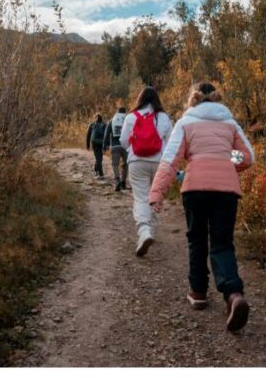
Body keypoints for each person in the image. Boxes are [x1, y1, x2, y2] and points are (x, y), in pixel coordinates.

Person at [148, 82, 255, 331]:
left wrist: (157, 193)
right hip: (226, 190)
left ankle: (198, 293)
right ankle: (234, 295)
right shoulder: (230, 123)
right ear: (217, 99)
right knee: (222, 242)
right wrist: (226, 161)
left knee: (197, 239)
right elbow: (248, 156)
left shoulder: (186, 123)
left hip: (195, 187)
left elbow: (170, 159)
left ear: (193, 99)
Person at [120, 87, 173, 257]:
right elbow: (171, 142)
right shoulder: (163, 117)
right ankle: (151, 229)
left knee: (141, 197)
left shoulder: (131, 117)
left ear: (140, 99)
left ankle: (144, 231)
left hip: (137, 162)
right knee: (154, 196)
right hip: (159, 163)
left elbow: (123, 142)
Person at [103, 106, 129, 192]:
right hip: (125, 146)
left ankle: (117, 180)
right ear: (125, 112)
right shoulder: (128, 119)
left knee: (115, 164)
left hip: (114, 146)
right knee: (125, 164)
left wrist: (105, 146)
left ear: (117, 112)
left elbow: (106, 135)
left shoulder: (112, 121)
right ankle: (123, 182)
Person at [85, 114, 107, 178]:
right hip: (102, 143)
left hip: (94, 143)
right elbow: (107, 135)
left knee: (98, 158)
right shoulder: (105, 124)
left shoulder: (92, 124)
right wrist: (107, 144)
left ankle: (99, 172)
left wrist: (88, 145)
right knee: (99, 158)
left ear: (95, 118)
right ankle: (98, 172)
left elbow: (88, 135)